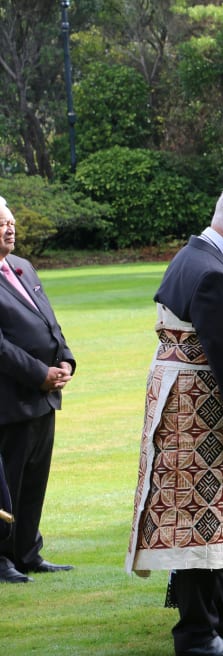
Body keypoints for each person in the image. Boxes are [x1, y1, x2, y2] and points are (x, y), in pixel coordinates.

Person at [127, 183, 223, 656]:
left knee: (219, 519)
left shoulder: (193, 257)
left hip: (195, 412)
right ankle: (197, 636)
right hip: (199, 418)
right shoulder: (211, 274)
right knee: (198, 521)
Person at [0, 196, 76, 584]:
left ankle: (27, 552)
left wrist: (65, 359)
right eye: (1, 224)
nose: (9, 228)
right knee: (6, 485)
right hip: (10, 399)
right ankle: (2, 558)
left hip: (45, 397)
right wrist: (38, 373)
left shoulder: (23, 267)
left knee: (34, 479)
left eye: (10, 222)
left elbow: (49, 321)